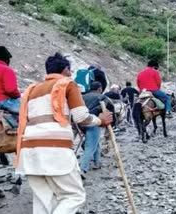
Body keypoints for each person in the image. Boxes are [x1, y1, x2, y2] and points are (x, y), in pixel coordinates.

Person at [15, 52, 113, 214]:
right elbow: (81, 117)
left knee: (43, 201)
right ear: (66, 70)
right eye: (70, 70)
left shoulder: (31, 90)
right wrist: (100, 120)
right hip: (54, 148)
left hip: (28, 150)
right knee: (74, 196)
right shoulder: (67, 84)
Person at [80, 81, 115, 179]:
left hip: (82, 122)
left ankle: (97, 162)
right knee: (90, 146)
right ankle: (82, 169)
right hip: (94, 122)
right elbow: (110, 108)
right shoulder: (102, 97)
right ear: (99, 88)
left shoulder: (83, 96)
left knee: (95, 142)